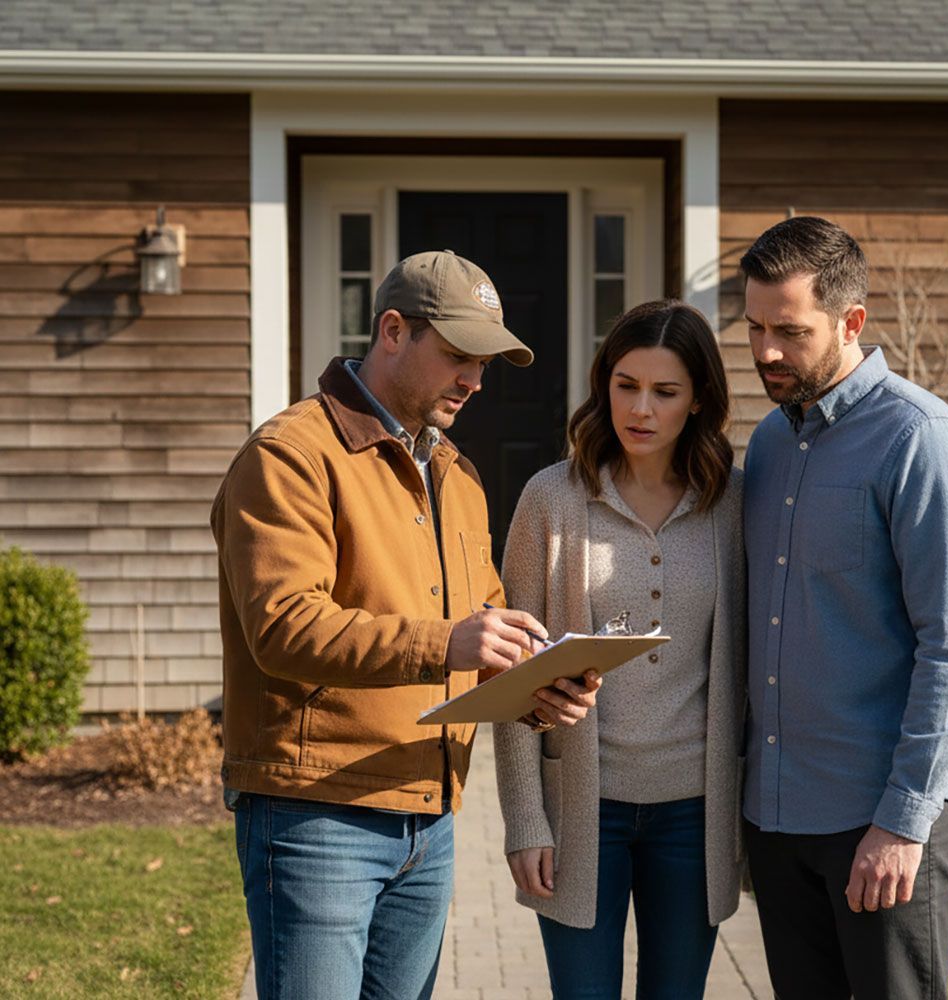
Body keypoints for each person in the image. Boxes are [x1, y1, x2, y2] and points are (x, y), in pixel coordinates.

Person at [210, 250, 600, 1000]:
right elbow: (283, 627)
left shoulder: (455, 473)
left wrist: (535, 685)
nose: (476, 382)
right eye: (459, 356)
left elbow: (481, 621)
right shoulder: (290, 456)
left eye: (485, 364)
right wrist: (448, 642)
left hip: (431, 818)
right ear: (393, 330)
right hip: (315, 814)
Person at [739, 216, 948, 1000]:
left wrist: (903, 820)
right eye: (753, 327)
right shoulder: (770, 444)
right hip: (779, 818)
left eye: (790, 331)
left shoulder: (921, 442)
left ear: (851, 322)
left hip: (879, 820)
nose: (765, 352)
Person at [492, 299, 746, 1000]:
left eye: (665, 392)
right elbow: (513, 677)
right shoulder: (551, 500)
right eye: (626, 385)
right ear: (604, 383)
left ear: (698, 402)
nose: (642, 408)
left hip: (693, 814)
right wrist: (524, 819)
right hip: (581, 808)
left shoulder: (730, 505)